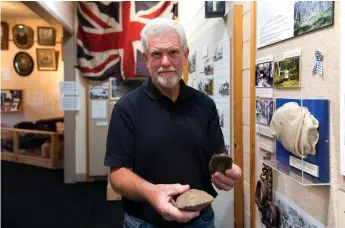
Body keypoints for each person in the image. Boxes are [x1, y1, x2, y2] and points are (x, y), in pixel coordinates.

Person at [104, 18, 242, 228]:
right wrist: (151, 193)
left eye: (173, 52)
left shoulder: (205, 105)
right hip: (146, 222)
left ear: (185, 55)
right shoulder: (126, 108)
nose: (165, 62)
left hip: (201, 220)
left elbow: (217, 154)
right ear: (146, 58)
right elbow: (117, 175)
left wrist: (226, 171)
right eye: (157, 54)